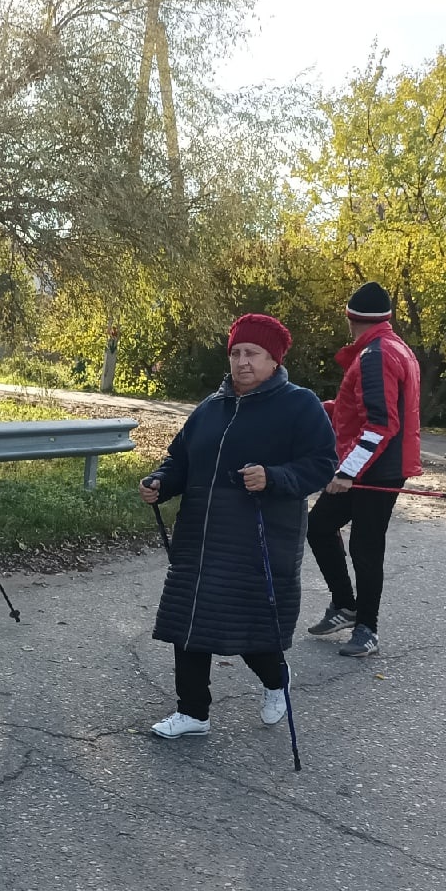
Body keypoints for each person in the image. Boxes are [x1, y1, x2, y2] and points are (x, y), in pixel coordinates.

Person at [141, 314, 337, 739]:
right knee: (190, 621)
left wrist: (274, 477)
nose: (242, 362)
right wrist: (161, 482)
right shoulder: (211, 408)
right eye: (236, 353)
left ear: (273, 359)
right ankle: (193, 712)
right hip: (200, 535)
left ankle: (276, 682)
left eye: (253, 353)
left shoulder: (298, 405)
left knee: (249, 627)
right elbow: (180, 459)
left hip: (261, 539)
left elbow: (323, 464)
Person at [304, 281, 422, 658]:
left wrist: (347, 472)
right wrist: (317, 409)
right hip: (370, 464)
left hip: (377, 471)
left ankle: (367, 628)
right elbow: (355, 405)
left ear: (351, 318)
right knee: (319, 527)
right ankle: (345, 606)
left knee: (365, 548)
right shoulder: (391, 347)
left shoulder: (377, 354)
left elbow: (380, 424)